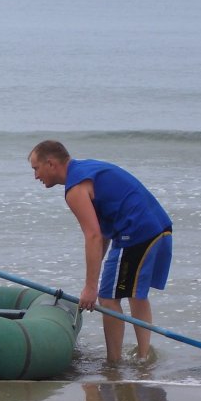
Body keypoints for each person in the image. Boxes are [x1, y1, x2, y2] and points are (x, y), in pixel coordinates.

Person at [28, 140, 172, 362]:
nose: (36, 176)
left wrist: (90, 287)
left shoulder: (75, 188)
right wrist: (96, 274)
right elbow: (103, 232)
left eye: (36, 169)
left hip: (136, 232)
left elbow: (93, 235)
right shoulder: (84, 169)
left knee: (108, 297)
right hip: (157, 227)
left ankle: (114, 363)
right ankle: (143, 358)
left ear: (51, 163)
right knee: (135, 294)